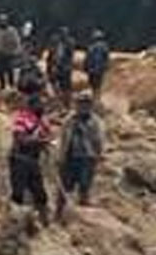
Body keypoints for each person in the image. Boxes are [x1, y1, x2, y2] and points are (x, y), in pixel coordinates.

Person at [57, 92, 104, 217]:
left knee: (85, 185)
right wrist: (61, 156)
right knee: (64, 187)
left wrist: (99, 155)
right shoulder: (69, 119)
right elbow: (63, 138)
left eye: (86, 104)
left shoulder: (95, 121)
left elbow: (99, 139)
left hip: (87, 157)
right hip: (70, 157)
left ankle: (83, 211)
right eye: (81, 104)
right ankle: (59, 213)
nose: (83, 107)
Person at [9, 94, 52, 225]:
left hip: (33, 160)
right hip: (20, 159)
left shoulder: (43, 121)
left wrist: (46, 142)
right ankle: (15, 222)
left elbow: (47, 137)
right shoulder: (22, 118)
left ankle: (43, 221)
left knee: (39, 191)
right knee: (18, 192)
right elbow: (20, 139)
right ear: (32, 106)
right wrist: (39, 141)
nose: (43, 107)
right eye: (40, 105)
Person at [0, 15, 22, 91]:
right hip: (0, 54)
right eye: (1, 21)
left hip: (9, 54)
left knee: (10, 70)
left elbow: (16, 41)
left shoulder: (12, 31)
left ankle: (11, 86)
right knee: (0, 71)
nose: (2, 22)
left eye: (4, 21)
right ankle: (3, 86)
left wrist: (17, 51)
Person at [48, 28, 76, 101]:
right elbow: (51, 55)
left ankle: (66, 101)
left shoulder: (68, 43)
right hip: (58, 67)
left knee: (65, 86)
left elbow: (69, 55)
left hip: (64, 67)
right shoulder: (56, 43)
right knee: (57, 84)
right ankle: (60, 100)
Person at [85, 30, 111, 99]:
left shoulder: (91, 47)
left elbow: (87, 58)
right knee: (98, 85)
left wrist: (86, 67)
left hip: (92, 69)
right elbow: (106, 58)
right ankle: (97, 98)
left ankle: (95, 98)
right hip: (99, 69)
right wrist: (106, 66)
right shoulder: (104, 47)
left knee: (93, 85)